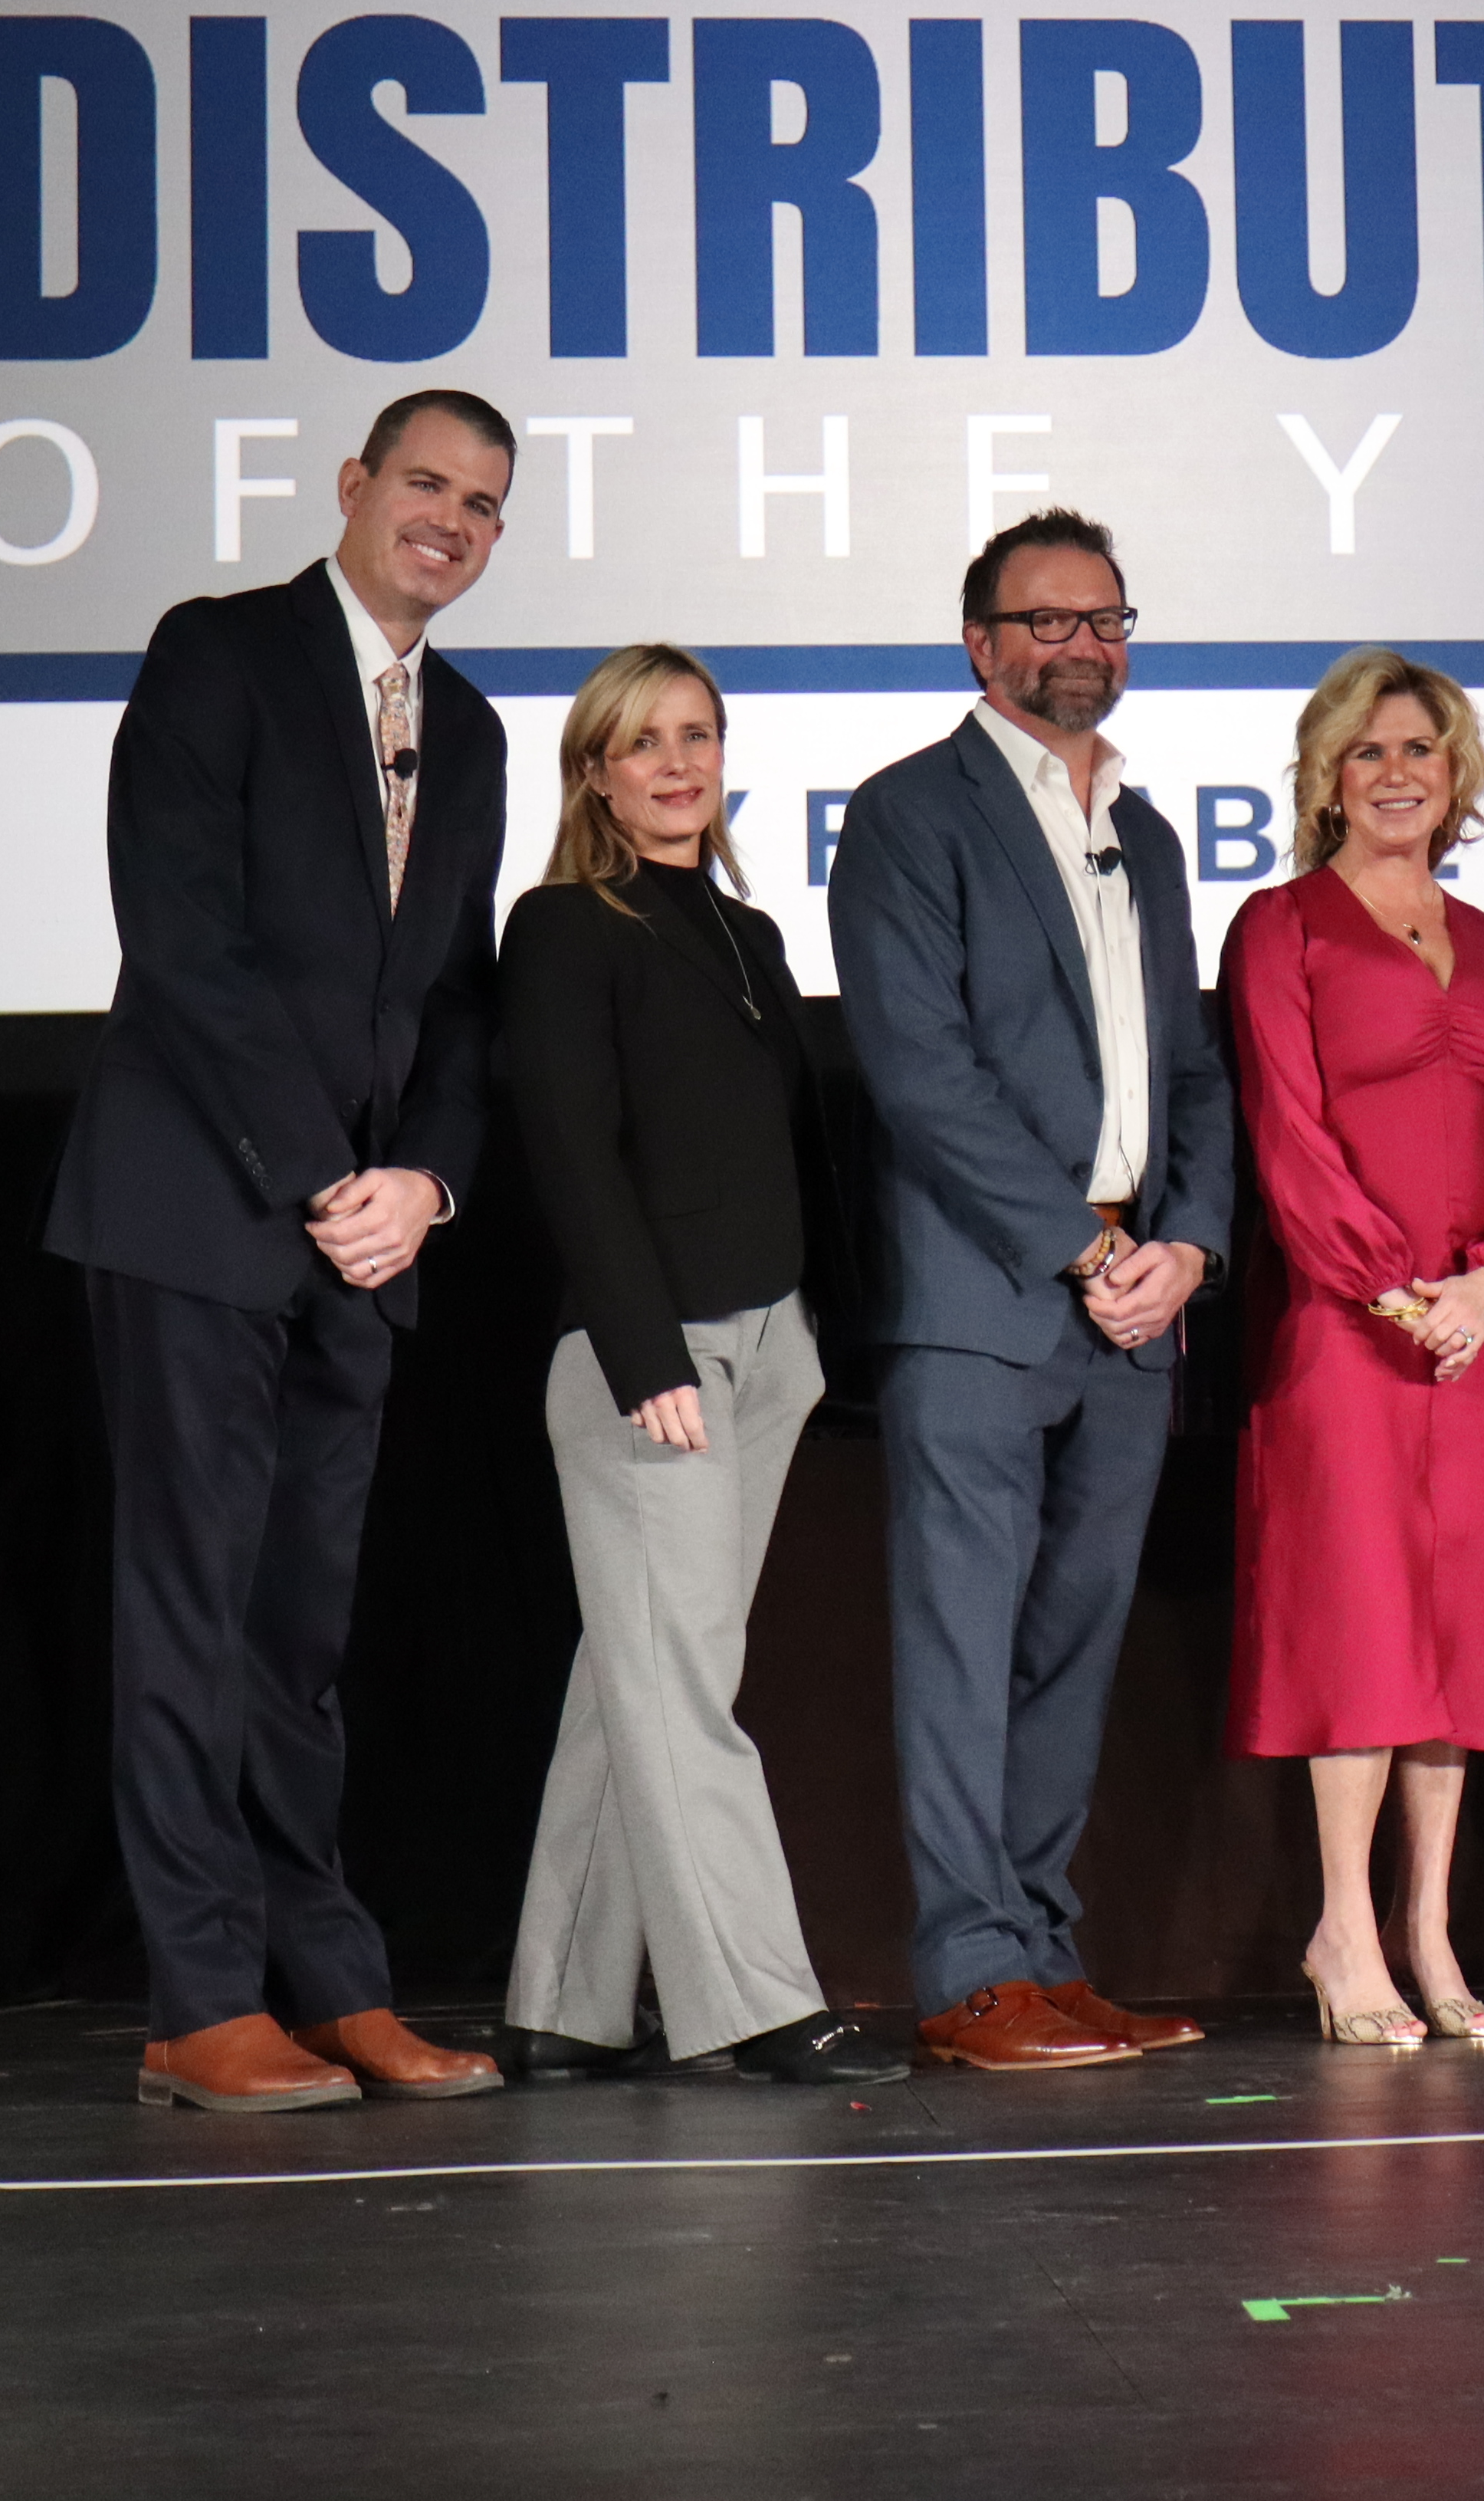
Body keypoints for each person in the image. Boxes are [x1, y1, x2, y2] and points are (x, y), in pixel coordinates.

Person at [42, 390, 518, 2114]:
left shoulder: (471, 730)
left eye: (483, 503)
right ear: (353, 486)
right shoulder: (221, 653)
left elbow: (457, 1000)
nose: (449, 520)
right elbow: (183, 941)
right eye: (424, 483)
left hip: (364, 1246)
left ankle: (332, 1984)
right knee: (191, 1607)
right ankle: (198, 1999)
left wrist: (425, 1187)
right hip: (203, 1207)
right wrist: (326, 1175)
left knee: (299, 1632)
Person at [826, 508, 1237, 2072]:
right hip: (987, 1297)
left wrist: (1188, 1246)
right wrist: (1085, 1247)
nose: (1082, 644)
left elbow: (1194, 1072)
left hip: (1138, 1306)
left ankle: (1046, 1954)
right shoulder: (907, 814)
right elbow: (922, 1074)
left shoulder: (1153, 833)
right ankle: (968, 1971)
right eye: (1048, 620)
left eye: (1105, 618)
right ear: (980, 644)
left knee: (1074, 1645)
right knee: (961, 1641)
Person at [487, 646, 911, 2091]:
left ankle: (562, 2003)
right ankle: (758, 2002)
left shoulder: (748, 933)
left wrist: (817, 1341)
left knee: (645, 1675)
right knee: (680, 1689)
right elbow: (569, 1148)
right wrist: (641, 1350)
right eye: (643, 741)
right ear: (595, 773)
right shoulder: (562, 926)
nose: (677, 764)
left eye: (698, 735)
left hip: (770, 1347)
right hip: (651, 1357)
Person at [1222, 652, 1484, 2047]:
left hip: (1479, 1331)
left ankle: (1428, 1925)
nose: (1395, 774)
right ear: (1327, 775)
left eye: (1420, 750)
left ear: (1456, 771)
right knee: (1361, 1619)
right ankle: (1342, 1928)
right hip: (1343, 1328)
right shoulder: (1281, 927)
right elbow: (1289, 1135)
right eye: (1367, 752)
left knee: (1454, 1630)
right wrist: (1389, 1291)